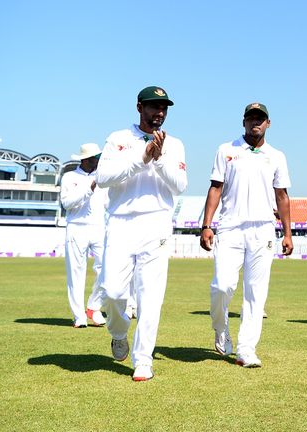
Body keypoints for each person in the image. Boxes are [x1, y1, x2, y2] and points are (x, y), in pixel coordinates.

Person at [96, 86, 187, 381]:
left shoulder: (174, 144)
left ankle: (143, 358)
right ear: (139, 107)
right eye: (153, 106)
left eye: (163, 108)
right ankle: (119, 332)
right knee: (112, 292)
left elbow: (180, 185)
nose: (159, 112)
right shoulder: (118, 139)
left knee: (151, 297)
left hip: (156, 224)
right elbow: (103, 177)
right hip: (121, 223)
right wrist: (142, 158)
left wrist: (159, 159)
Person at [200, 102, 293, 368]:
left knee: (256, 293)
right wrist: (207, 225)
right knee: (222, 286)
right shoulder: (227, 150)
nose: (256, 122)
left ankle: (246, 349)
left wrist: (287, 233)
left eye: (261, 119)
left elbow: (282, 196)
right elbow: (215, 188)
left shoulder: (277, 156)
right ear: (243, 122)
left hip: (263, 229)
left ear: (268, 123)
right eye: (251, 118)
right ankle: (220, 328)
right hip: (230, 227)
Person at [60, 143, 109, 328]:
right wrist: (89, 188)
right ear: (86, 160)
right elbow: (67, 203)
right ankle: (78, 316)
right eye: (96, 158)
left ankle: (93, 306)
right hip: (76, 228)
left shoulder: (102, 178)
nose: (98, 161)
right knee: (75, 273)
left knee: (105, 269)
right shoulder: (69, 177)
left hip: (98, 227)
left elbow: (108, 204)